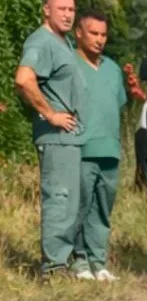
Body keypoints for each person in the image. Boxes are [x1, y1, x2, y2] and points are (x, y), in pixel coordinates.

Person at [14, 0, 90, 278]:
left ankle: (64, 261)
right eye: (62, 9)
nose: (68, 15)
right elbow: (23, 79)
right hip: (56, 137)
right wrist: (50, 114)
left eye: (72, 10)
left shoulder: (64, 42)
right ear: (46, 9)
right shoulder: (41, 41)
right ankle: (54, 268)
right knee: (59, 198)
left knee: (72, 202)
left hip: (71, 139)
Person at [72, 9, 127, 282]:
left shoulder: (113, 69)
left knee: (102, 209)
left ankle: (98, 260)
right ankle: (79, 261)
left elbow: (117, 104)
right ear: (78, 33)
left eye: (103, 34)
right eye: (93, 33)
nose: (99, 40)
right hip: (82, 149)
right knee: (79, 206)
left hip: (110, 149)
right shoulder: (68, 65)